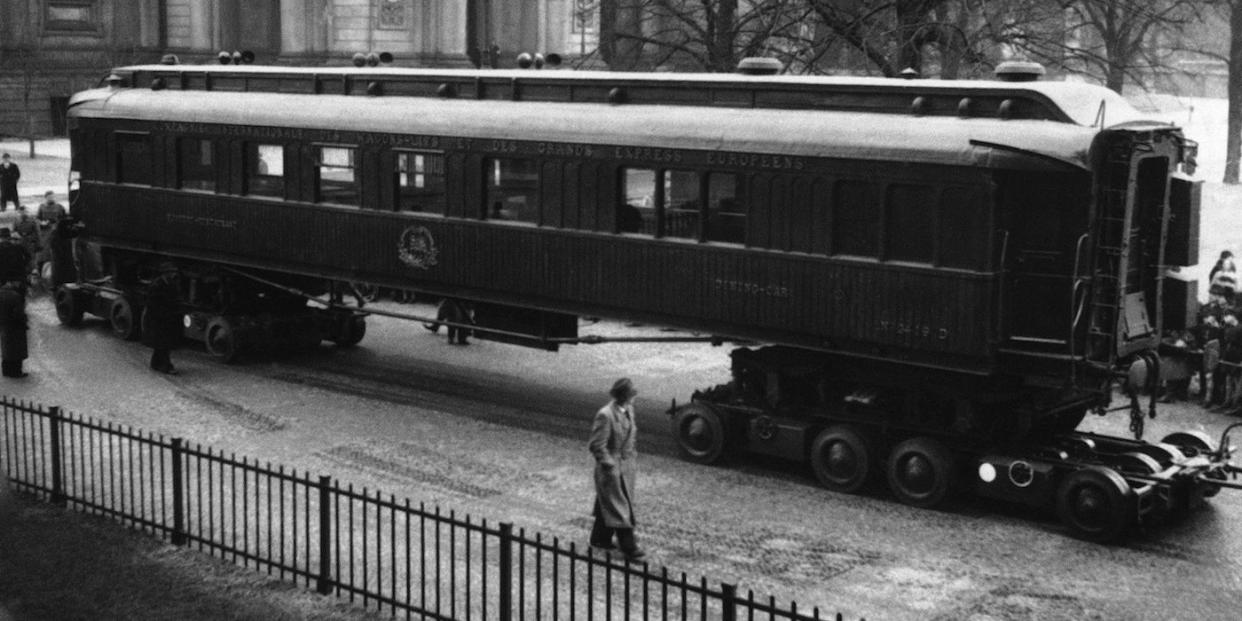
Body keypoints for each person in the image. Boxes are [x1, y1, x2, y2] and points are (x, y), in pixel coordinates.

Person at [587, 377, 646, 561]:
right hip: (611, 469)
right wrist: (609, 465)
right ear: (623, 396)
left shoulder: (628, 410)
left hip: (626, 467)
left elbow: (630, 435)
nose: (633, 398)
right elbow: (597, 445)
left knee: (611, 502)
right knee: (621, 508)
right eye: (631, 395)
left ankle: (600, 538)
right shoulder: (606, 415)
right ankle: (629, 546)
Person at [143, 261, 183, 375]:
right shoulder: (157, 285)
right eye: (170, 272)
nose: (172, 274)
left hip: (166, 318)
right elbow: (152, 303)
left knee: (161, 343)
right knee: (164, 343)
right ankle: (166, 366)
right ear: (165, 274)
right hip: (158, 319)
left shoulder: (170, 283)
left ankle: (155, 363)